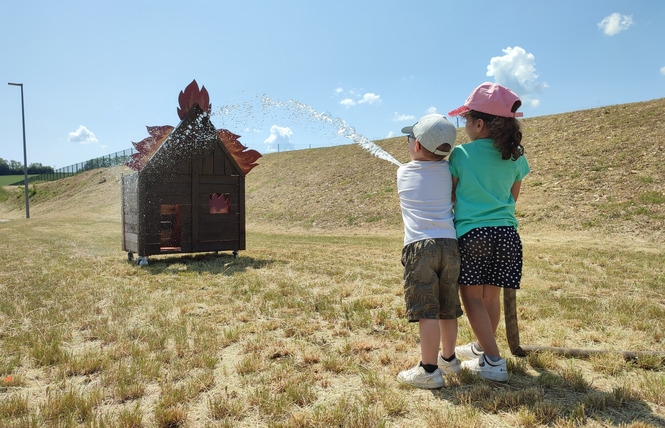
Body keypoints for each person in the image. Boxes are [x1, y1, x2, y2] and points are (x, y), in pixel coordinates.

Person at [447, 82, 530, 382]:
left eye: (465, 120)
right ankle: (483, 346)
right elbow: (513, 196)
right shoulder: (516, 155)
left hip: (473, 235)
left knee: (470, 298)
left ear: (479, 124)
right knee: (491, 296)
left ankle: (493, 362)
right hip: (507, 235)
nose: (464, 125)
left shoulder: (460, 155)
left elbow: (452, 197)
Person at [395, 114, 463, 389]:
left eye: (410, 138)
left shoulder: (403, 172)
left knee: (427, 311)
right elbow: (453, 195)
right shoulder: (451, 171)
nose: (408, 142)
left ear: (418, 145)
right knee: (448, 308)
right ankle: (449, 358)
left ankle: (429, 370)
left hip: (419, 247)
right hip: (450, 244)